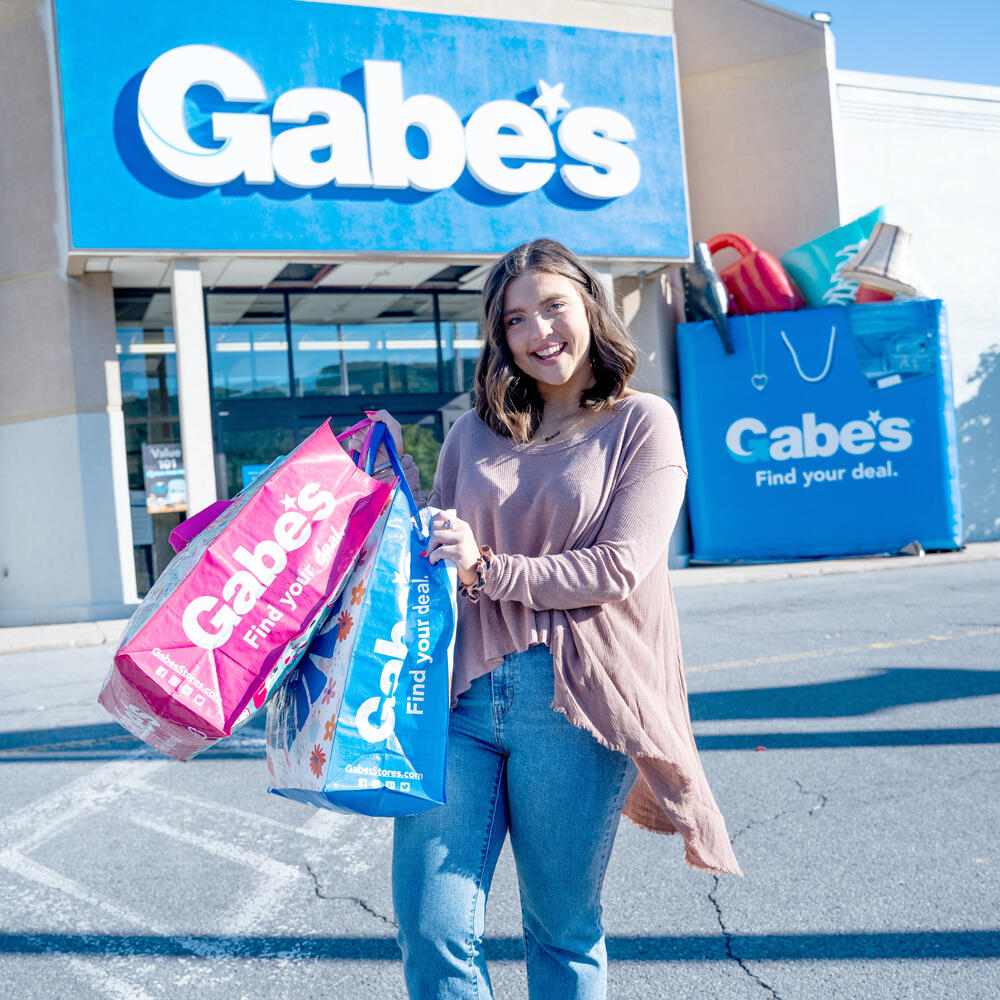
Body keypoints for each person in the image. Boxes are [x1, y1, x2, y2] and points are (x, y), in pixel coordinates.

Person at [346, 238, 741, 1000]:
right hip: (458, 701)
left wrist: (489, 568)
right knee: (430, 926)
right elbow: (440, 564)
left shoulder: (642, 423)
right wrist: (393, 491)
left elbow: (618, 566)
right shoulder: (471, 433)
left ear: (589, 306)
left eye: (553, 306)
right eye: (516, 319)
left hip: (575, 702)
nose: (538, 331)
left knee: (560, 927)